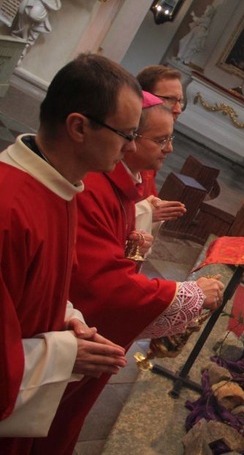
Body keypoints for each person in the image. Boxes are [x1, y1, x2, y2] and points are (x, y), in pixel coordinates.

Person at [34, 93, 226, 454]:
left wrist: (136, 236)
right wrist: (191, 294)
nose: (169, 148)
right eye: (161, 138)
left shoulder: (119, 182)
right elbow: (101, 284)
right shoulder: (89, 185)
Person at [0, 54, 134, 450]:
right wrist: (64, 356)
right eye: (126, 134)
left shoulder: (59, 188)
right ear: (79, 127)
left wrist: (67, 317)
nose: (130, 147)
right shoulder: (8, 206)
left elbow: (32, 287)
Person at [135, 65, 187, 232]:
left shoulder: (152, 150)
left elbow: (145, 195)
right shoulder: (133, 142)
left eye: (180, 101)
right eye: (170, 99)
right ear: (145, 96)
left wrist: (154, 205)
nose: (178, 109)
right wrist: (146, 212)